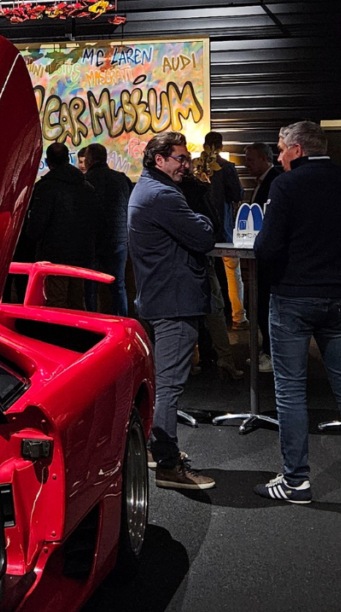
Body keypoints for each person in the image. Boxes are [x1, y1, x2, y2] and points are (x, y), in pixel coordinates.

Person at [252, 121, 341, 504]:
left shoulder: (286, 185)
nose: (278, 157)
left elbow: (266, 248)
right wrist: (338, 253)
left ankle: (296, 481)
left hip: (293, 298)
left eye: (281, 149)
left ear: (297, 149)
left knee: (291, 391)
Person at [128, 131, 217, 491]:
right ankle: (167, 463)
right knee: (169, 386)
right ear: (158, 159)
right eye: (180, 158)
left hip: (161, 297)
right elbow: (205, 235)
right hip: (174, 301)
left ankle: (156, 449)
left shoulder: (147, 190)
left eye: (187, 158)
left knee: (161, 383)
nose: (187, 164)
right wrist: (204, 220)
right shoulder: (163, 196)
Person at [175, 142, 244, 380]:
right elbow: (216, 216)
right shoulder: (198, 187)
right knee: (214, 306)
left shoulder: (170, 190)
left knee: (186, 311)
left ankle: (190, 361)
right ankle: (223, 358)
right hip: (204, 253)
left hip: (180, 258)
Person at [24, 142, 100, 309]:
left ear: (48, 161)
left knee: (56, 300)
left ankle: (58, 335)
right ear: (68, 159)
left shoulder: (45, 187)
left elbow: (36, 226)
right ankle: (77, 334)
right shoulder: (86, 186)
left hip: (54, 254)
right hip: (81, 253)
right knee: (76, 300)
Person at [200, 131, 245, 327]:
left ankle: (212, 319)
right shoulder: (227, 168)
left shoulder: (196, 167)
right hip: (225, 231)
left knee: (208, 276)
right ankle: (238, 318)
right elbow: (237, 195)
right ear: (221, 146)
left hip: (202, 231)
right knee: (233, 274)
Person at [82, 142, 132, 315]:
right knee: (118, 285)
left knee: (91, 285)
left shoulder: (85, 181)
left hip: (92, 241)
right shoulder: (121, 179)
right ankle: (123, 321)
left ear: (89, 160)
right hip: (118, 239)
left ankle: (92, 324)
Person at [245, 141, 281, 373]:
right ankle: (267, 350)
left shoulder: (275, 180)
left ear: (264, 158)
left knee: (266, 305)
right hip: (260, 254)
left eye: (250, 159)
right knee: (260, 304)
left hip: (270, 256)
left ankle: (271, 352)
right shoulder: (262, 181)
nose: (247, 164)